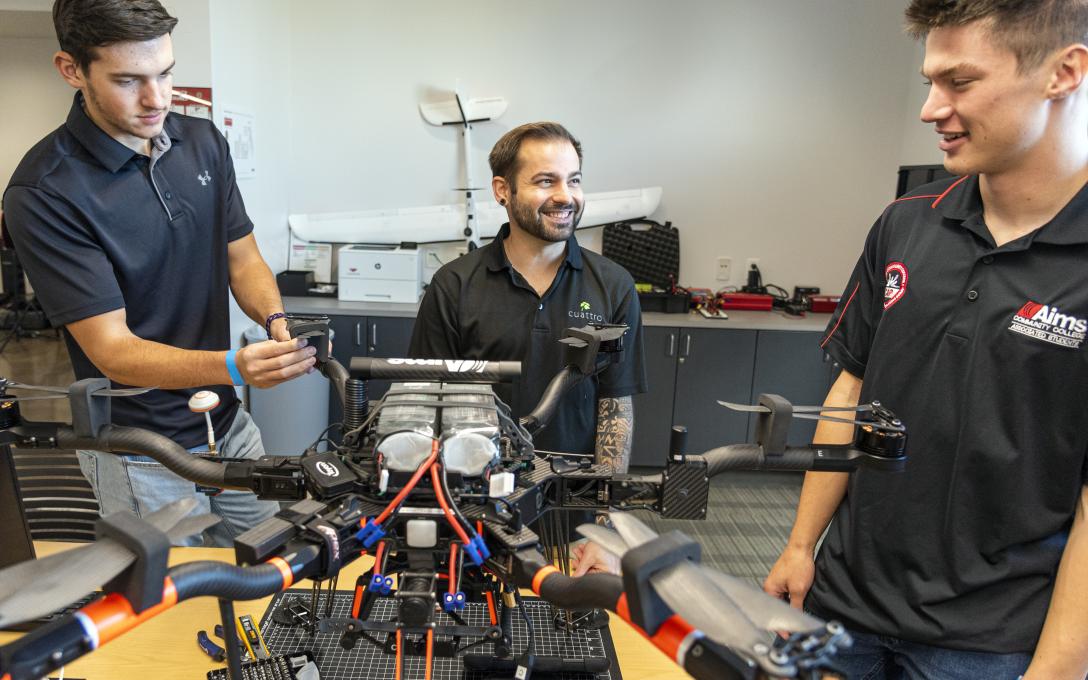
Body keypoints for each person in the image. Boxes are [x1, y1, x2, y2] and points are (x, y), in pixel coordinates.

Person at [763, 1, 1088, 678]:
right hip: (843, 607)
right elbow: (851, 387)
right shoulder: (905, 224)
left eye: (959, 83)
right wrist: (801, 545)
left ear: (1065, 72)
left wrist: (1056, 668)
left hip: (988, 643)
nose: (930, 109)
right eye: (928, 83)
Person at [1, 0, 317, 546]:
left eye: (165, 73)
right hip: (138, 451)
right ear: (72, 70)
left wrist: (276, 319)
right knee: (175, 604)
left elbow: (242, 259)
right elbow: (113, 349)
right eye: (129, 81)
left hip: (229, 427)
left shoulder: (202, 142)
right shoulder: (46, 191)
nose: (157, 99)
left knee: (274, 564)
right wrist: (233, 366)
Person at [408, 122, 646, 575]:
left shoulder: (613, 285)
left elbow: (615, 406)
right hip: (473, 507)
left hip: (572, 517)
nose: (566, 195)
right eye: (545, 181)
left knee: (568, 633)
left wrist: (606, 526)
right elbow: (428, 406)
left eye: (574, 180)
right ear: (502, 189)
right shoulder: (454, 285)